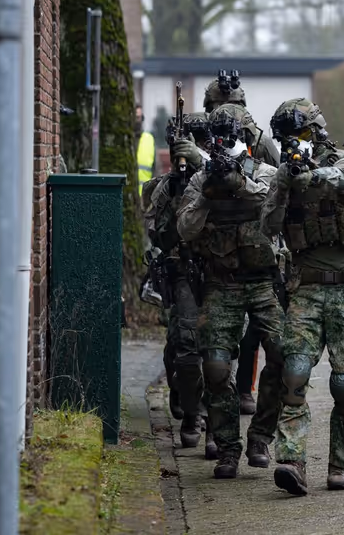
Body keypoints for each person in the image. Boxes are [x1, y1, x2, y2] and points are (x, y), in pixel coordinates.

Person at [262, 98, 344, 495]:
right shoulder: (286, 176)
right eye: (287, 138)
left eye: (301, 134)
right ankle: (291, 461)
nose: (294, 142)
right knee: (294, 372)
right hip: (306, 288)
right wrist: (283, 183)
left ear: (317, 131)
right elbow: (267, 226)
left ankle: (339, 464)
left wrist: (311, 175)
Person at [176, 105, 285, 479]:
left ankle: (261, 437)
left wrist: (240, 184)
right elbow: (185, 229)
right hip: (221, 282)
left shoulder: (264, 172)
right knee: (216, 365)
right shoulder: (200, 179)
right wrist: (208, 194)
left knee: (283, 356)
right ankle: (226, 447)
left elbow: (272, 210)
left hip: (263, 282)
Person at [203, 78, 280, 415]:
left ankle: (245, 388)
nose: (226, 112)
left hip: (254, 244)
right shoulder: (202, 135)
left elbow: (277, 185)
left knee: (255, 333)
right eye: (218, 107)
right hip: (215, 247)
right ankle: (210, 399)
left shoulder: (258, 141)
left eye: (232, 106)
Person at [143, 113, 217, 459]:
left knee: (219, 351)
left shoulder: (224, 174)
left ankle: (216, 424)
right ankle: (191, 410)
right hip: (184, 271)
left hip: (221, 271)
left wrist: (205, 171)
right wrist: (178, 187)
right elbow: (158, 234)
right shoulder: (167, 185)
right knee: (185, 348)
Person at [135, 104, 157, 197]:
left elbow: (156, 169)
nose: (137, 120)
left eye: (139, 117)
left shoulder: (149, 139)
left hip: (144, 197)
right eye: (135, 117)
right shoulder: (124, 139)